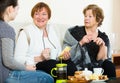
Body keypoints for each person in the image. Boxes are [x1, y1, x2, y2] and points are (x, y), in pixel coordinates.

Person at [14, 2, 77, 81]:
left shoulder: (52, 31)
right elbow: (17, 59)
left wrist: (64, 56)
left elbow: (58, 54)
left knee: (72, 66)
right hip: (36, 65)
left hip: (54, 62)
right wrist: (40, 58)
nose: (40, 17)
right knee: (53, 65)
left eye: (44, 14)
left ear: (48, 17)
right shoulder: (25, 32)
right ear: (33, 16)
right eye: (37, 14)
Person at [0, 0, 54, 83]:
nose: (17, 12)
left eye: (44, 14)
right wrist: (26, 68)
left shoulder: (51, 32)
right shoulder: (7, 29)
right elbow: (8, 61)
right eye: (17, 9)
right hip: (6, 75)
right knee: (47, 78)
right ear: (10, 9)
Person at [62, 4, 116, 78]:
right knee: (69, 66)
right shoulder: (74, 32)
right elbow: (65, 54)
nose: (86, 18)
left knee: (109, 65)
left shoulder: (103, 37)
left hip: (97, 70)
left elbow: (102, 59)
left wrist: (102, 46)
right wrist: (81, 42)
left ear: (98, 19)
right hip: (77, 67)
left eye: (90, 16)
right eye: (85, 16)